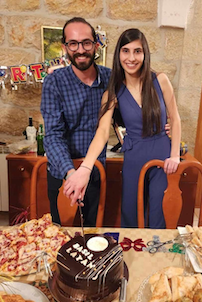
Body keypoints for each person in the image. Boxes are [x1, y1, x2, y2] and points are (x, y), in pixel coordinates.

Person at [63, 28, 181, 228]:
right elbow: (101, 133)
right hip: (134, 157)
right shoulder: (112, 93)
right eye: (126, 51)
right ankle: (132, 258)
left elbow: (175, 118)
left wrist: (175, 154)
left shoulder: (160, 80)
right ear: (118, 54)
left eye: (137, 51)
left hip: (162, 157)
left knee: (159, 215)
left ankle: (159, 258)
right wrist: (85, 168)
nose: (131, 57)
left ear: (145, 54)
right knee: (131, 215)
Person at [40, 17, 111, 226]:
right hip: (64, 176)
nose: (80, 50)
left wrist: (160, 125)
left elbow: (126, 114)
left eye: (86, 43)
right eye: (73, 43)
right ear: (65, 47)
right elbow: (52, 136)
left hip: (96, 173)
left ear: (95, 45)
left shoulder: (110, 78)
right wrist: (72, 174)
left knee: (91, 238)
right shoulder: (54, 82)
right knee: (61, 239)